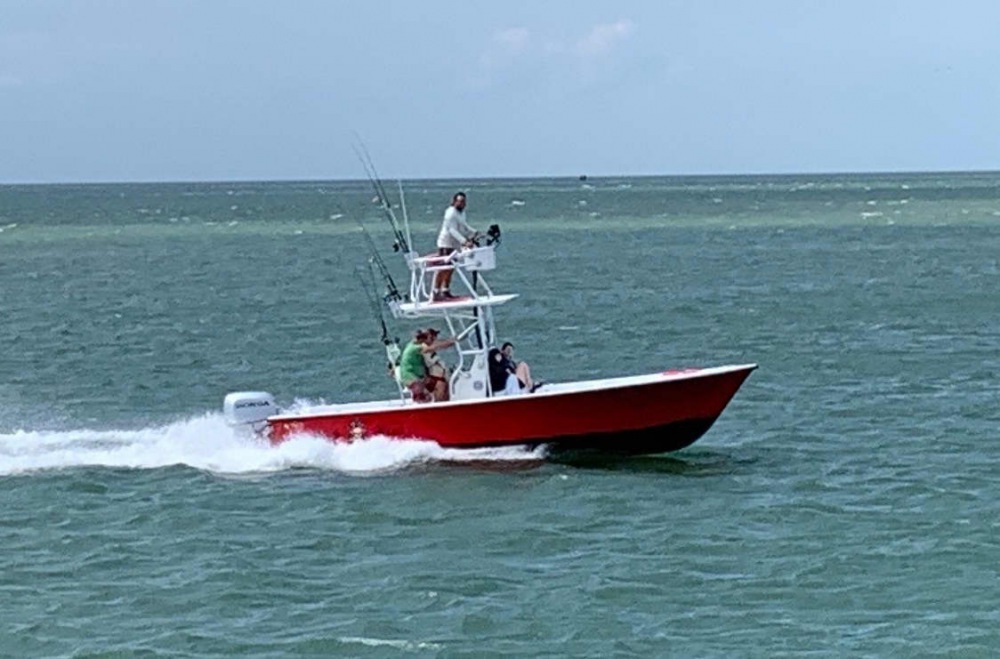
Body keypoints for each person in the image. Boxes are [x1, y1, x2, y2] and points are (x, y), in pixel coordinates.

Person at [433, 192, 479, 301]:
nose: (462, 204)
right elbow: (452, 230)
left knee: (451, 268)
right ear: (454, 202)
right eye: (460, 201)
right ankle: (436, 291)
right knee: (444, 268)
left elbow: (463, 227)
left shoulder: (461, 213)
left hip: (454, 245)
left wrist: (475, 232)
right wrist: (464, 241)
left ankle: (445, 290)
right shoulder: (450, 213)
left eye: (464, 201)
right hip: (445, 243)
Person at [397, 328, 458, 403]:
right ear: (425, 338)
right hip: (411, 377)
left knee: (441, 385)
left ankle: (441, 406)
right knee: (425, 397)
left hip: (419, 376)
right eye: (432, 339)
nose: (433, 341)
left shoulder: (413, 344)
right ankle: (434, 408)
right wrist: (451, 341)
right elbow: (434, 347)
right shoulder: (416, 348)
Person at [421, 327, 452, 402]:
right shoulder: (423, 347)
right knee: (440, 399)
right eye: (432, 336)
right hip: (435, 379)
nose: (435, 338)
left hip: (441, 377)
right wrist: (451, 341)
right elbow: (438, 345)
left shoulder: (431, 347)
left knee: (446, 397)